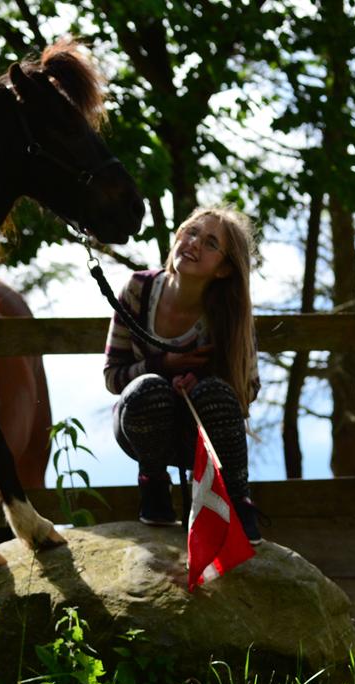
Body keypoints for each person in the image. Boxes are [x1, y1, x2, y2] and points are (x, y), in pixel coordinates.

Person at [103, 204, 263, 541]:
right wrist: (164, 366)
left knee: (216, 394)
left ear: (222, 270)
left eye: (210, 243)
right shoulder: (138, 289)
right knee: (148, 387)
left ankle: (238, 501)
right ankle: (154, 486)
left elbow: (246, 393)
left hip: (200, 432)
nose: (193, 243)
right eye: (191, 232)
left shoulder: (228, 313)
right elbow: (112, 377)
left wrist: (203, 380)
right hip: (141, 424)